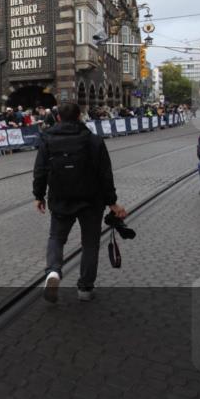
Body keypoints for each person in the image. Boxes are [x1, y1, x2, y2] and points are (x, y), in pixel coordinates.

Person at [33, 101, 127, 302]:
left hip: (60, 197)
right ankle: (85, 289)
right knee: (90, 244)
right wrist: (113, 203)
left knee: (56, 238)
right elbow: (105, 174)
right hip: (91, 200)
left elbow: (40, 171)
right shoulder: (94, 140)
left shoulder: (47, 139)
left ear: (58, 118)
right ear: (79, 117)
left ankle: (53, 271)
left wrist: (38, 196)